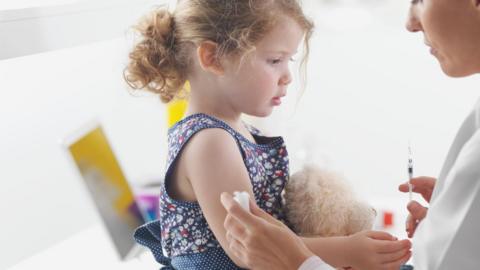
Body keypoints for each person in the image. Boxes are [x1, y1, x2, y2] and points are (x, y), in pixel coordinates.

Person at [124, 0, 411, 269]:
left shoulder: (234, 129)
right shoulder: (211, 142)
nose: (287, 76)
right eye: (275, 60)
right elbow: (250, 250)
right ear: (213, 58)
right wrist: (348, 251)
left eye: (289, 60)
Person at [221, 0, 480, 269]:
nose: (410, 23)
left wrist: (296, 261)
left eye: (421, 0)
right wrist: (450, 223)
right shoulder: (214, 138)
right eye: (274, 60)